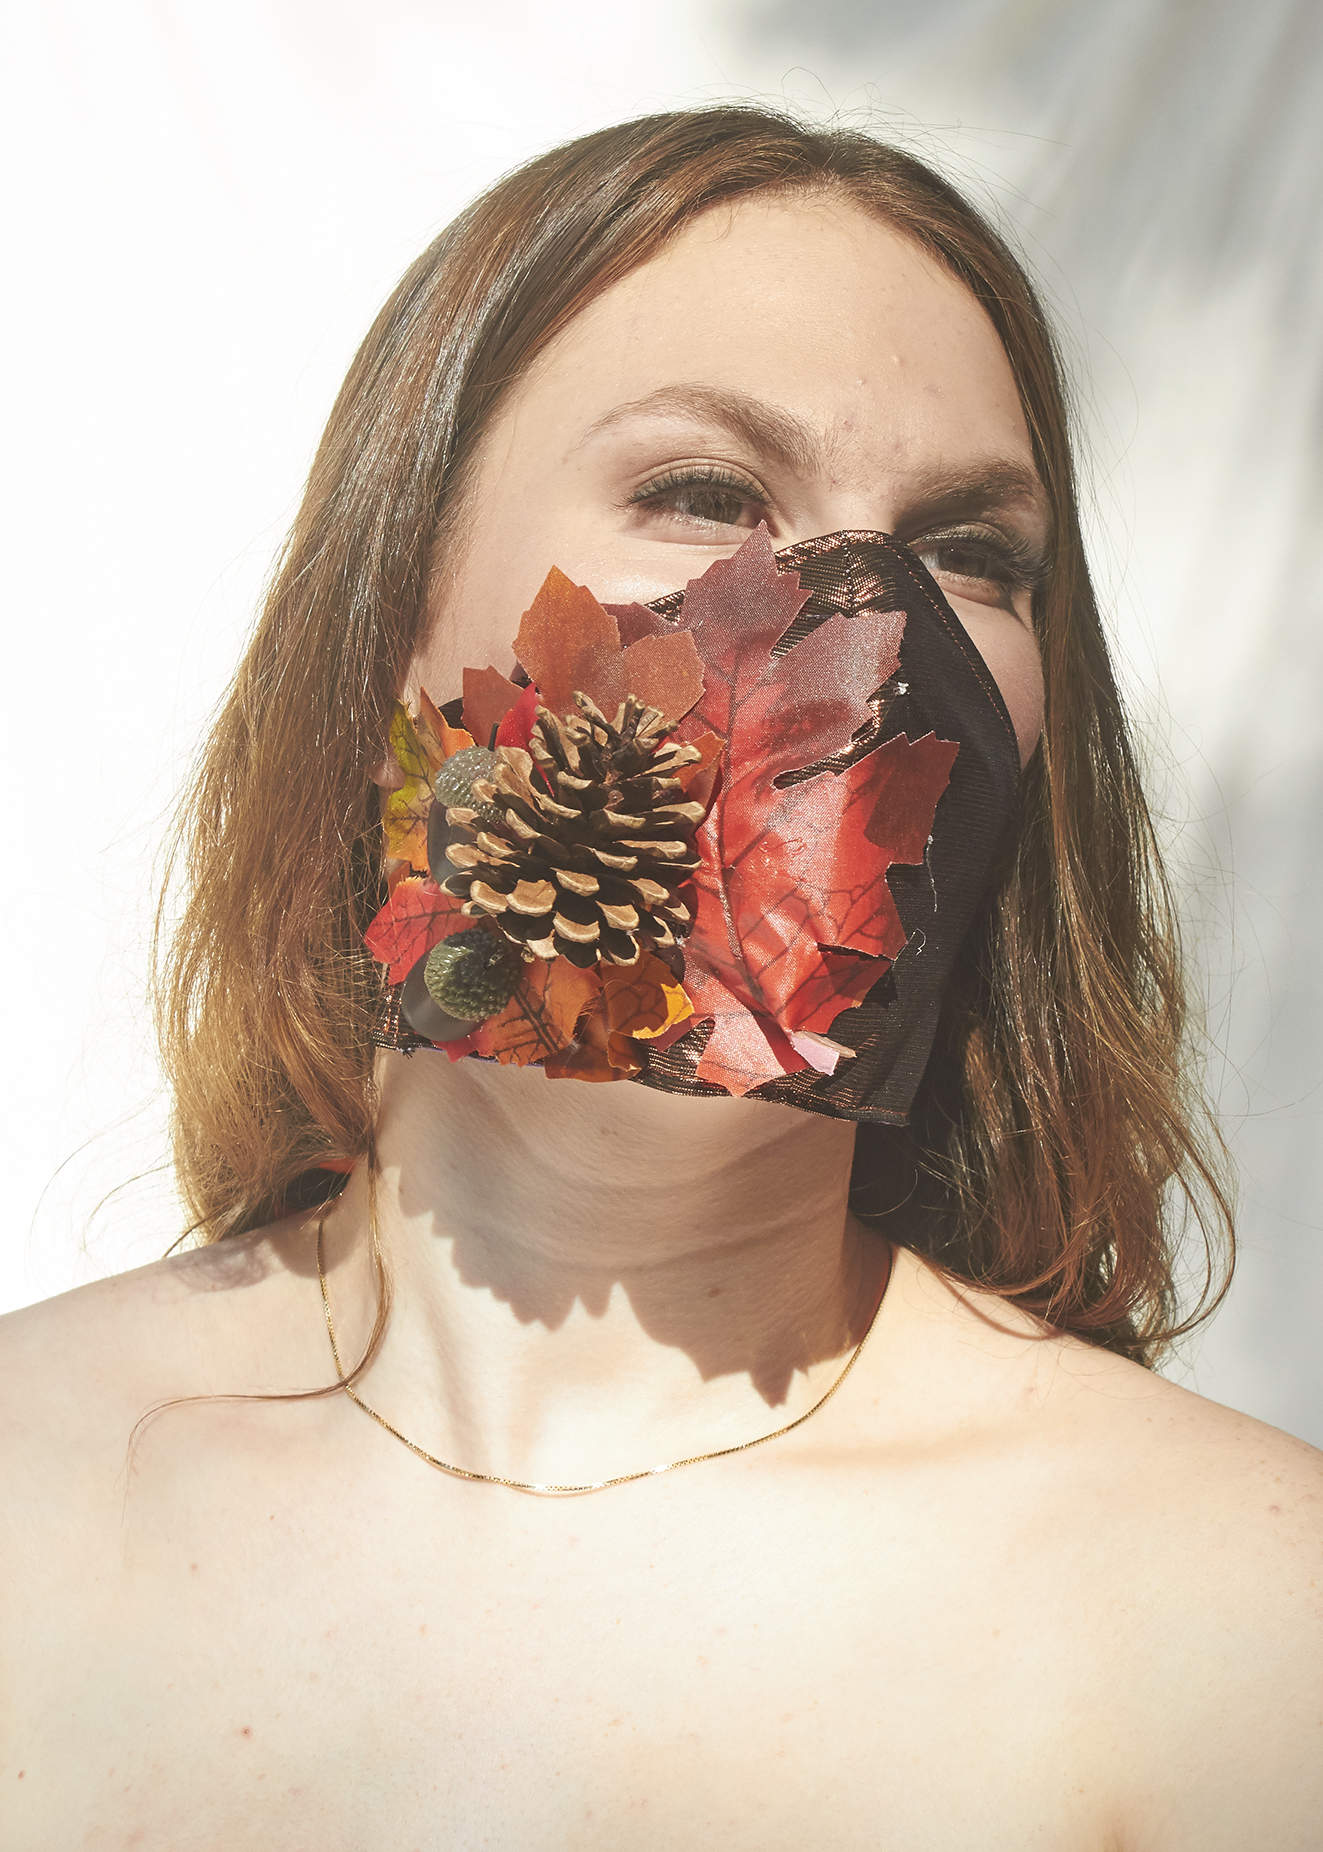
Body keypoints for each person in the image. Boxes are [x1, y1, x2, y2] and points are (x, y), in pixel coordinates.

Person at [2, 106, 1319, 1848]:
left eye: (974, 556)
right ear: (395, 615)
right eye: (705, 493)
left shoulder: (1240, 1625)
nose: (872, 626)